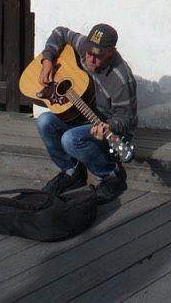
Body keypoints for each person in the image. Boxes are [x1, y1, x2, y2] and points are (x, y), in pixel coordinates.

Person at [36, 22, 137, 205]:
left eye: (97, 56)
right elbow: (60, 32)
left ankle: (110, 175)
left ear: (111, 52)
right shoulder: (86, 47)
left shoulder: (121, 79)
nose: (90, 59)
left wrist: (109, 126)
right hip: (81, 115)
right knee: (44, 121)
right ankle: (72, 172)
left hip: (106, 129)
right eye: (88, 53)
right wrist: (48, 60)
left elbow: (126, 119)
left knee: (70, 139)